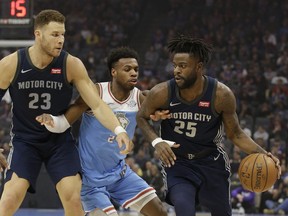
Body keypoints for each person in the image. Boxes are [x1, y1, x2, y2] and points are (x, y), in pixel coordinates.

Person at [0, 10, 131, 216]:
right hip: (25, 142)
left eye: (63, 34)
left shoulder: (70, 64)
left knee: (73, 196)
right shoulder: (11, 64)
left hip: (59, 142)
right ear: (38, 34)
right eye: (55, 35)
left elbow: (96, 104)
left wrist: (118, 129)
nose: (61, 40)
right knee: (9, 198)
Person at [136, 35, 281, 216]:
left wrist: (263, 153)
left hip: (211, 162)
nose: (176, 71)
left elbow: (235, 134)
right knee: (184, 208)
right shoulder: (163, 92)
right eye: (174, 65)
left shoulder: (221, 95)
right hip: (178, 163)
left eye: (183, 66)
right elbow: (141, 117)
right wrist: (157, 141)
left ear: (198, 67)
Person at [37, 47, 167, 216]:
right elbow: (64, 123)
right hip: (88, 179)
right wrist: (51, 121)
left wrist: (158, 114)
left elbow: (155, 113)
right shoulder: (96, 92)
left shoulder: (139, 97)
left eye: (136, 69)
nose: (133, 73)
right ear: (114, 72)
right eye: (127, 69)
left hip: (119, 174)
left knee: (160, 212)